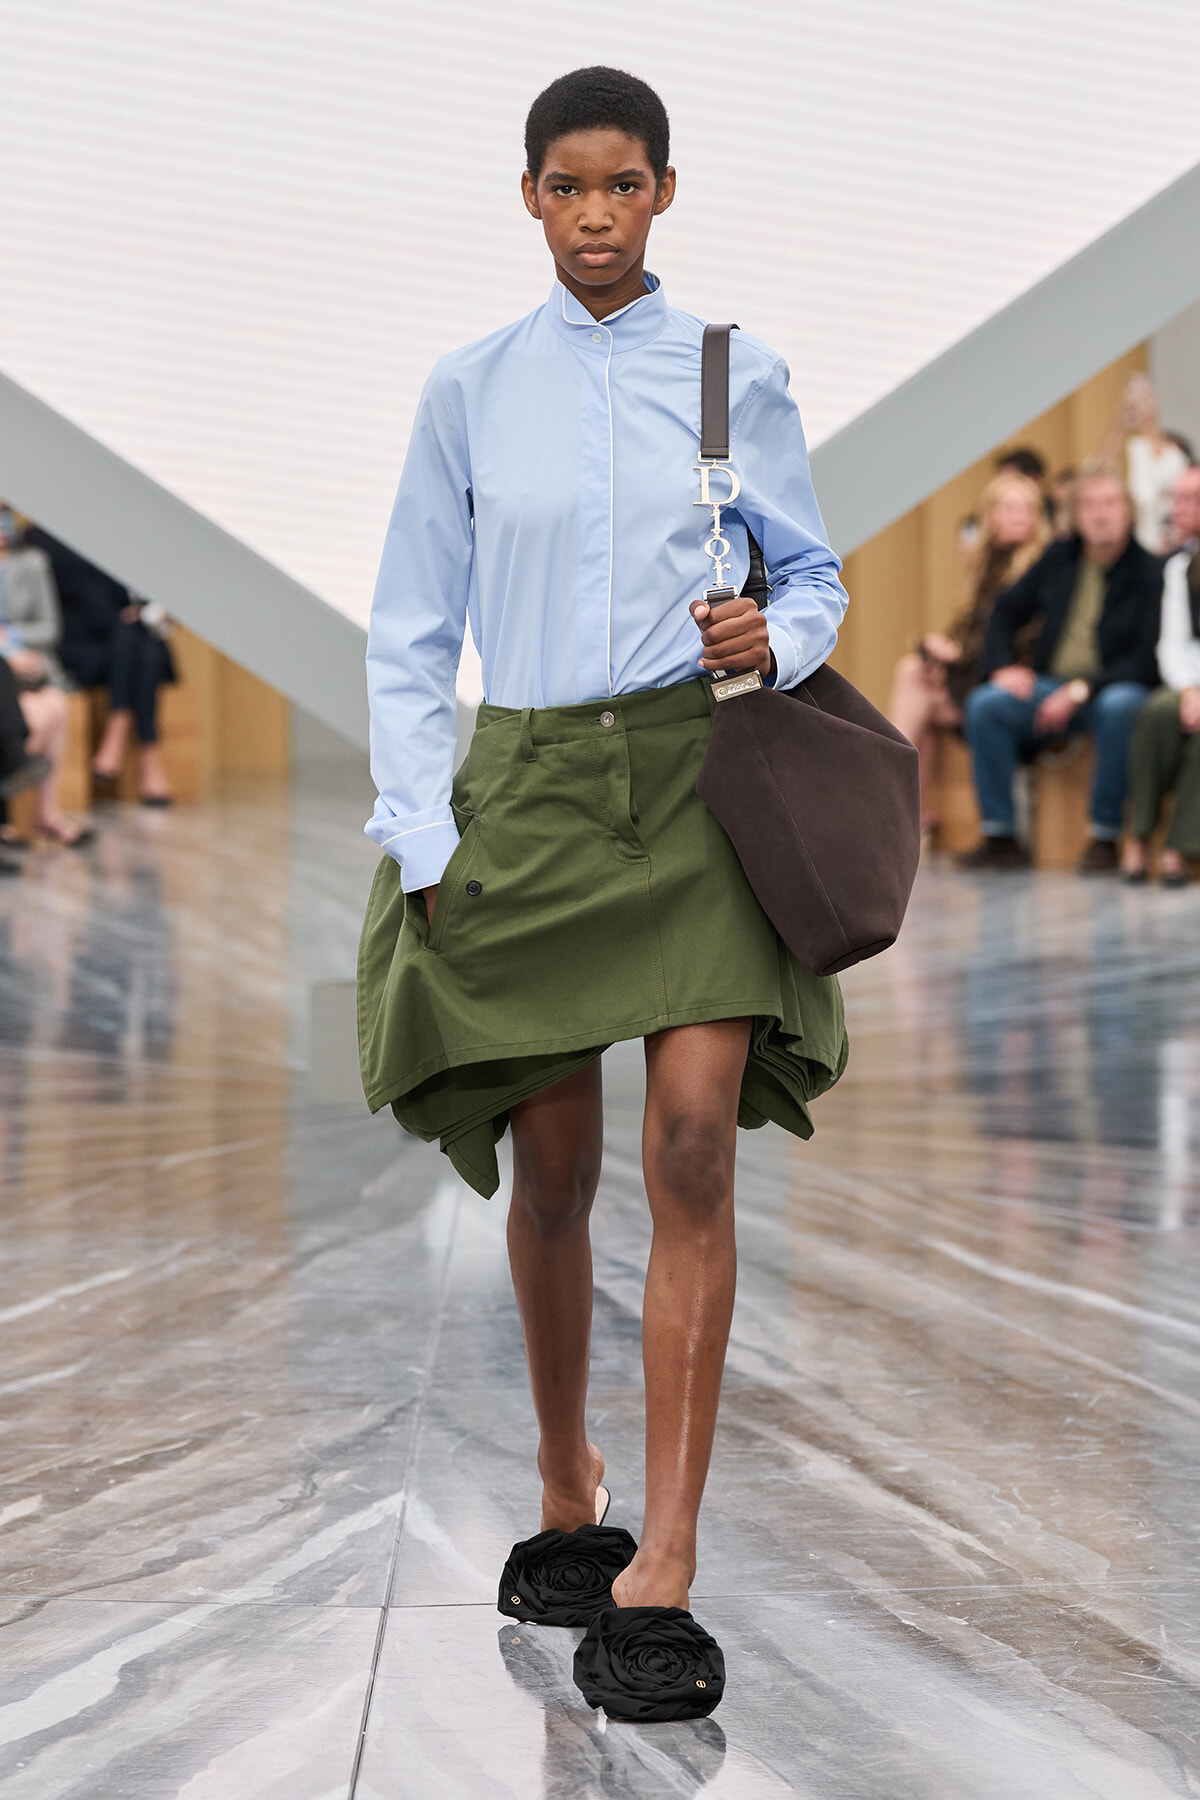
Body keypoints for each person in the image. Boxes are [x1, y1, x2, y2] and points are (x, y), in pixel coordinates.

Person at [356, 66, 849, 1721]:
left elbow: (815, 569)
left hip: (694, 786)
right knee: (552, 1165)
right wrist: (422, 833)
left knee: (694, 1139)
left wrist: (776, 635)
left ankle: (670, 1555)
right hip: (533, 795)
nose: (593, 215)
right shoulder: (470, 387)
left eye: (621, 186)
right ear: (528, 198)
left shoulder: (732, 371)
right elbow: (415, 624)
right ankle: (572, 1482)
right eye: (565, 187)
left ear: (662, 193)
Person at [960, 465, 1161, 872]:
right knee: (987, 703)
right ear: (1075, 515)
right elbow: (1004, 612)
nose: (1100, 514)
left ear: (1128, 512)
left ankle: (1104, 839)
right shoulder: (1059, 557)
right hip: (1050, 685)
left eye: (1109, 504)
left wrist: (1082, 688)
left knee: (1120, 707)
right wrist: (1001, 667)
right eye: (1089, 505)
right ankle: (1001, 835)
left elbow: (1145, 659)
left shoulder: (1149, 571)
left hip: (1113, 686)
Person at [888, 471, 1048, 830]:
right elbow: (971, 628)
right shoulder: (986, 563)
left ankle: (889, 796)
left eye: (1027, 508)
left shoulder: (1037, 566)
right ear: (990, 515)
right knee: (915, 676)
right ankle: (910, 814)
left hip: (1010, 677)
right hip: (974, 672)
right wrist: (945, 649)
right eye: (1009, 508)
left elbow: (1019, 638)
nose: (1020, 516)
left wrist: (956, 654)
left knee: (913, 681)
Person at [23, 526, 175, 805]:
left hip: (124, 642)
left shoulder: (117, 534)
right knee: (140, 649)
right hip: (80, 644)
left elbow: (151, 603)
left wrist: (142, 612)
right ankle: (147, 758)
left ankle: (118, 728)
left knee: (136, 641)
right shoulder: (40, 538)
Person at [1122, 465, 1200, 885]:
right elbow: (1172, 642)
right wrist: (1189, 691)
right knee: (1155, 714)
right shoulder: (1178, 566)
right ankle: (1139, 836)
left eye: (1192, 499)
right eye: (1178, 498)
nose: (1180, 508)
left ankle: (1179, 847)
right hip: (1189, 680)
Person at [0, 507, 95, 846]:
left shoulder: (31, 563)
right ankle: (8, 817)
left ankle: (46, 813)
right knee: (32, 720)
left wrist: (11, 642)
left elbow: (50, 627)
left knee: (56, 704)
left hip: (30, 663)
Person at [1103, 374, 1189, 553]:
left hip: (1163, 544)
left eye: (1145, 397)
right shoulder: (1131, 447)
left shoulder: (1173, 455)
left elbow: (1161, 474)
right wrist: (1119, 424)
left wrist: (1149, 422)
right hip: (1124, 546)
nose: (1138, 404)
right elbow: (1100, 472)